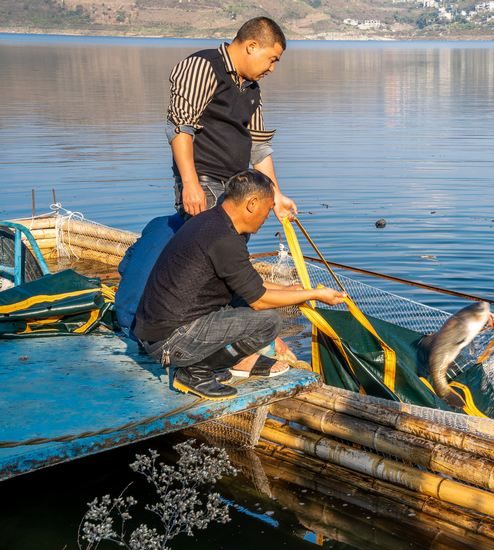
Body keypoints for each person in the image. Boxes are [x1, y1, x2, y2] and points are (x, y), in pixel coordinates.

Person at [134, 169, 345, 400]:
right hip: (169, 342)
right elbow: (259, 300)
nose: (267, 218)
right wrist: (314, 294)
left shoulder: (211, 221)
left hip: (154, 333)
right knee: (268, 323)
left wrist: (291, 291)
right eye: (267, 209)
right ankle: (194, 371)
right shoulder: (225, 239)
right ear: (252, 203)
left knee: (242, 299)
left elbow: (248, 283)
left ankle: (204, 364)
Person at [167, 16, 296, 220]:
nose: (272, 69)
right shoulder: (203, 66)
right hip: (204, 183)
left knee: (232, 249)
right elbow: (180, 126)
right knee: (209, 248)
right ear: (252, 46)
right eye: (272, 59)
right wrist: (190, 184)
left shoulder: (252, 88)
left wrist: (276, 196)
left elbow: (258, 147)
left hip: (237, 188)